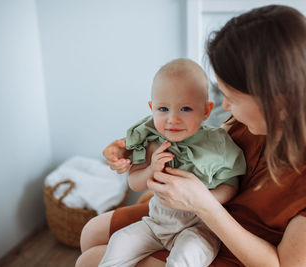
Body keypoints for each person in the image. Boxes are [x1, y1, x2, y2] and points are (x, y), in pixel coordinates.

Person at [77, 5, 306, 267]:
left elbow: (283, 264)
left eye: (231, 98)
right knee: (91, 232)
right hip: (200, 210)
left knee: (91, 260)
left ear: (278, 103)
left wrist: (204, 205)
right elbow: (206, 137)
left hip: (248, 245)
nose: (225, 107)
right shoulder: (291, 90)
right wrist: (133, 147)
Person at [97, 58, 246, 267]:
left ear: (206, 110)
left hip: (199, 228)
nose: (172, 119)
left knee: (186, 257)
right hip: (157, 224)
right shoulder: (151, 140)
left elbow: (232, 185)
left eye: (185, 109)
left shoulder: (218, 144)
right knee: (120, 241)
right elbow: (134, 183)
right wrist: (151, 169)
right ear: (152, 107)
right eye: (163, 109)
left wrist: (205, 200)